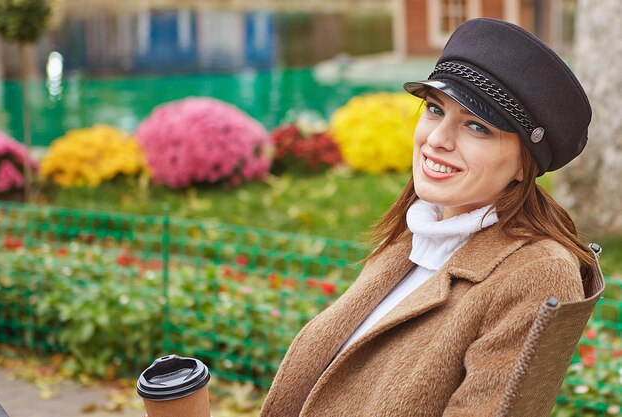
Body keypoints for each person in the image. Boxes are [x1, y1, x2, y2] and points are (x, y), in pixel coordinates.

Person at [258, 18, 603, 417]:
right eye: (435, 110)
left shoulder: (536, 274)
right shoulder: (418, 232)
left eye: (477, 126)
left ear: (524, 166)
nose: (438, 139)